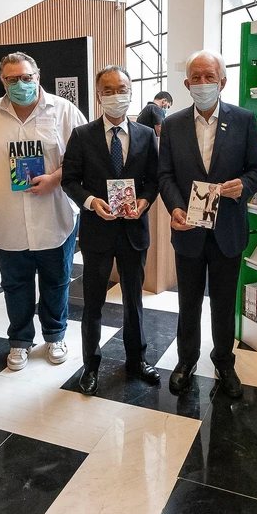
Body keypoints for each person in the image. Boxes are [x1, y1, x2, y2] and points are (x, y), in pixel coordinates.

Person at [0, 52, 88, 372]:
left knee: (56, 281)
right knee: (15, 284)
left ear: (38, 76)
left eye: (26, 77)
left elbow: (83, 157)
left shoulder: (63, 111)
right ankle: (19, 340)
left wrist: (55, 178)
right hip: (9, 218)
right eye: (12, 79)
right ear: (2, 81)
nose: (21, 84)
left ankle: (55, 335)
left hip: (55, 215)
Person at [158, 50, 257, 399]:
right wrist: (175, 207)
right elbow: (165, 175)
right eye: (196, 77)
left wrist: (243, 186)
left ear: (222, 81)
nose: (203, 83)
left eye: (209, 77)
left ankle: (224, 361)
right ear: (186, 83)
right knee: (188, 301)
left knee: (223, 301)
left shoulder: (244, 119)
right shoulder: (172, 124)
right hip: (188, 229)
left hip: (228, 230)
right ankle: (186, 360)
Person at [61, 65, 160, 395]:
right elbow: (69, 180)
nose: (117, 95)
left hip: (134, 230)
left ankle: (137, 360)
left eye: (122, 89)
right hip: (97, 231)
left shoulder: (145, 135)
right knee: (93, 302)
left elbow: (153, 180)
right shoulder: (82, 135)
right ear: (99, 95)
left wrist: (145, 201)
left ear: (131, 92)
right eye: (109, 90)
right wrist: (91, 202)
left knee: (134, 299)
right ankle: (90, 365)